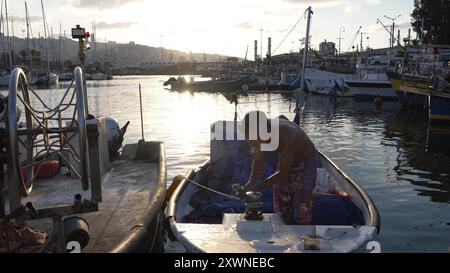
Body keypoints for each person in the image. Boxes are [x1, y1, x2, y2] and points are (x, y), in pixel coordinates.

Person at [237, 111, 317, 225]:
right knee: (281, 198)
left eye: (252, 138)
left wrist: (257, 188)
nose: (250, 141)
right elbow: (259, 161)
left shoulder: (287, 136)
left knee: (302, 203)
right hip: (286, 158)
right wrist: (250, 183)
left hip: (304, 161)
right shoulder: (259, 135)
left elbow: (282, 174)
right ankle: (282, 226)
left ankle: (303, 230)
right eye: (248, 138)